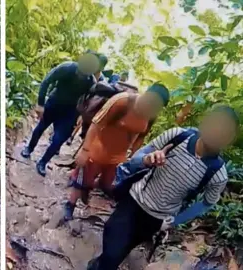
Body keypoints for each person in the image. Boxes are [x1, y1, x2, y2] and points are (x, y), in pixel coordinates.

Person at [88, 105, 237, 270]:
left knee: (122, 249)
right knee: (113, 246)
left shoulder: (217, 174)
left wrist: (175, 221)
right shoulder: (177, 136)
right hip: (135, 201)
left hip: (157, 219)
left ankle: (99, 265)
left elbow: (207, 203)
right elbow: (135, 160)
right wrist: (146, 160)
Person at [64, 83, 170, 221]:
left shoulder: (151, 116)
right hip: (98, 149)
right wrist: (85, 150)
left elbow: (141, 135)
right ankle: (70, 204)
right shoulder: (122, 102)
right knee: (83, 178)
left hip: (117, 157)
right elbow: (97, 123)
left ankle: (87, 187)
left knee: (106, 184)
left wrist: (132, 155)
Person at [21, 51, 108, 176]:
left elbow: (90, 99)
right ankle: (29, 148)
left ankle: (43, 162)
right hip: (54, 103)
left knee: (58, 140)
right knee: (41, 127)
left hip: (69, 112)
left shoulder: (91, 81)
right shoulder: (66, 68)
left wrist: (81, 116)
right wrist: (40, 104)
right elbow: (46, 81)